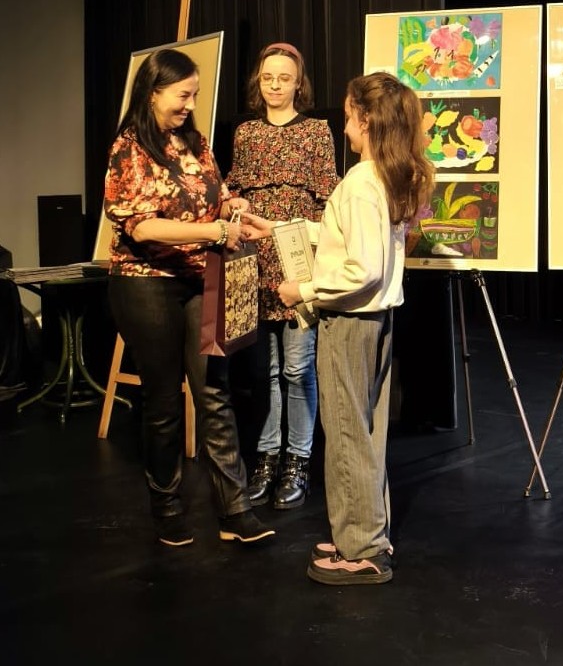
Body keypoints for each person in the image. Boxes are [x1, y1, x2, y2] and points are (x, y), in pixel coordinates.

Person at [242, 71, 434, 584]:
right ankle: (364, 533)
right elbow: (343, 236)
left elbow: (361, 269)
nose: (343, 126)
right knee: (366, 432)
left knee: (348, 433)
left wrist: (302, 291)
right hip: (376, 321)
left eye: (348, 116)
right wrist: (278, 228)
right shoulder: (386, 177)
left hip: (350, 322)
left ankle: (361, 551)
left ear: (366, 119)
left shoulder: (360, 182)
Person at [103, 48, 275, 547]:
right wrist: (213, 231)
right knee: (162, 401)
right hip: (145, 283)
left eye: (194, 95)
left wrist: (232, 208)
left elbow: (211, 200)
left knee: (213, 394)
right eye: (183, 95)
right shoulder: (128, 148)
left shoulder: (196, 142)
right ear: (153, 91)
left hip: (203, 279)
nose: (190, 104)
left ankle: (234, 509)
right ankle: (167, 507)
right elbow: (141, 226)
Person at [226, 43, 338, 510]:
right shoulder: (246, 133)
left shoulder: (316, 132)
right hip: (256, 260)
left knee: (297, 367)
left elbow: (329, 198)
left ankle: (298, 459)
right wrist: (234, 202)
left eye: (284, 78)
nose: (275, 85)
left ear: (298, 83)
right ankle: (268, 456)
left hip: (296, 260)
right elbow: (233, 187)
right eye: (268, 77)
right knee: (266, 370)